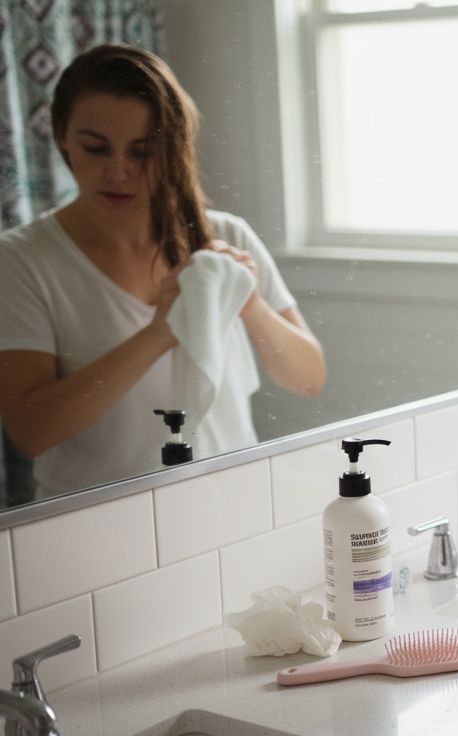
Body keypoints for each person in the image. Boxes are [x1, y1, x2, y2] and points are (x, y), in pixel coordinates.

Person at [0, 44, 326, 499]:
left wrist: (251, 306)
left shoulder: (228, 237)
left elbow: (308, 378)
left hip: (228, 501)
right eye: (96, 148)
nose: (118, 171)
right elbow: (30, 430)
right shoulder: (21, 260)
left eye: (143, 152)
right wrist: (158, 334)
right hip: (91, 525)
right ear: (62, 137)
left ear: (173, 148)